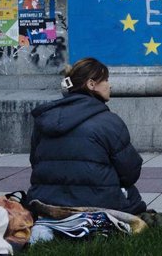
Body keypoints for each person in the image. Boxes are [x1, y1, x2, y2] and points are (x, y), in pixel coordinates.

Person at [27, 57, 146, 215]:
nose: (110, 85)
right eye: (106, 80)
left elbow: (36, 163)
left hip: (45, 201)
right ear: (91, 84)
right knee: (131, 195)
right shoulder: (109, 122)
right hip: (97, 203)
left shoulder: (45, 119)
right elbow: (130, 172)